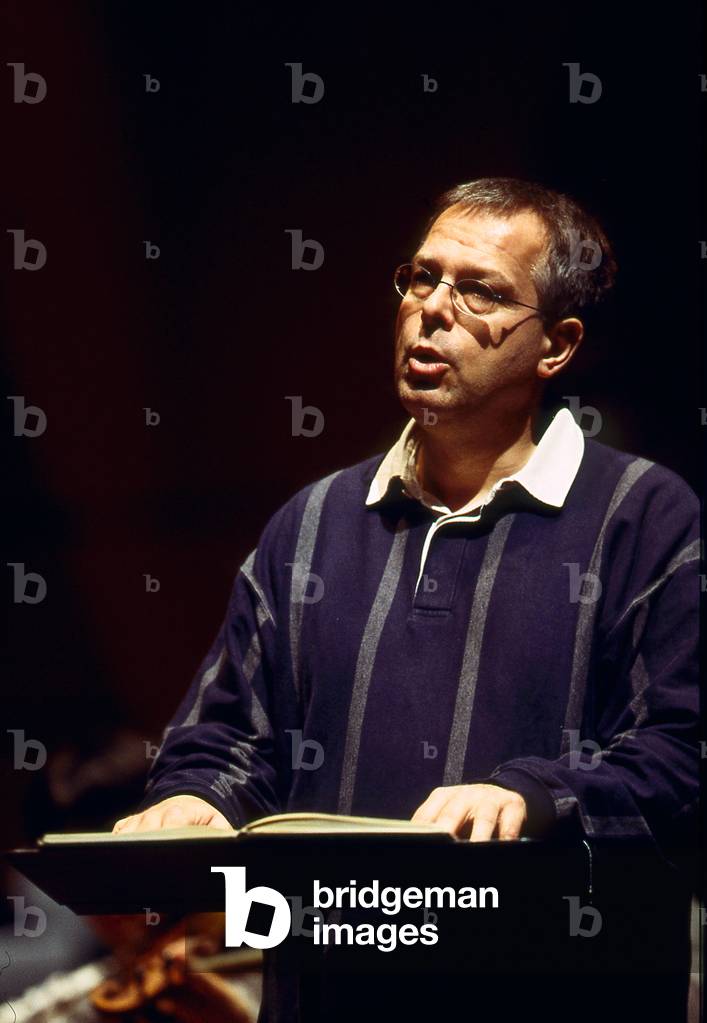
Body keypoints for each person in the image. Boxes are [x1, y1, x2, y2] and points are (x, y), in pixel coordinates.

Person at [113, 178, 700, 1021]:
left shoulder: (643, 517)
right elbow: (229, 735)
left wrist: (534, 795)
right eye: (422, 278)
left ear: (556, 347)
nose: (433, 308)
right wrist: (195, 798)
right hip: (334, 991)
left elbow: (680, 757)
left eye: (481, 291)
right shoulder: (310, 524)